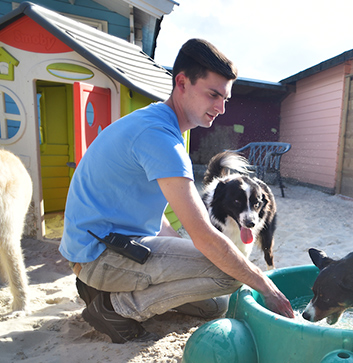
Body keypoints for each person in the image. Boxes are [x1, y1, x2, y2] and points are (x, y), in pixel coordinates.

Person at [59, 39, 294, 343]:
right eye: (213, 95)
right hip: (99, 256)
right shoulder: (160, 138)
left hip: (103, 248)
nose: (221, 108)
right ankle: (114, 306)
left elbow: (154, 215)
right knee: (231, 272)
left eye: (226, 98)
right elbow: (205, 236)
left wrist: (183, 257)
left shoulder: (158, 124)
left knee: (214, 306)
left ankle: (100, 291)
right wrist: (266, 285)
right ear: (181, 82)